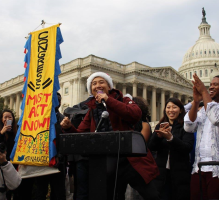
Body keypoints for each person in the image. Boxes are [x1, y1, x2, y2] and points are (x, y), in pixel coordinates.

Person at [61, 72, 160, 200]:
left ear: (109, 86)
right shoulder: (92, 109)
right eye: (94, 83)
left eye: (101, 82)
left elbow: (135, 114)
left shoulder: (123, 100)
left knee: (152, 195)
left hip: (129, 160)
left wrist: (108, 100)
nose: (97, 86)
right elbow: (81, 136)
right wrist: (69, 128)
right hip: (106, 163)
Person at [149, 98, 194, 200]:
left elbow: (187, 147)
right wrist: (158, 136)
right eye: (168, 107)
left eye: (174, 107)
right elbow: (151, 147)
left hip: (179, 174)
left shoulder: (186, 126)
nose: (171, 110)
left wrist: (171, 138)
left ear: (181, 110)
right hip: (161, 174)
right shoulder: (160, 125)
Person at [35, 92, 66, 200]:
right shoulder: (39, 119)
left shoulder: (64, 120)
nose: (57, 102)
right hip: (42, 161)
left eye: (58, 99)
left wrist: (60, 156)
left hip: (59, 163)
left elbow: (65, 141)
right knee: (40, 192)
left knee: (58, 193)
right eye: (54, 99)